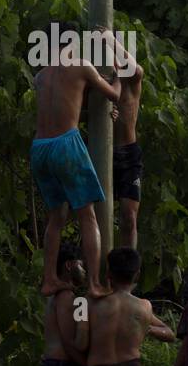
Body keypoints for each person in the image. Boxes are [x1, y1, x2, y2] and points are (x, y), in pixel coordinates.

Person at [31, 21, 121, 297]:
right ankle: (95, 283)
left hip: (39, 148)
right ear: (70, 42)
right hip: (66, 145)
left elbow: (62, 105)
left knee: (56, 217)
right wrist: (116, 75)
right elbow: (115, 94)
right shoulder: (82, 66)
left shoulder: (41, 76)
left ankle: (49, 279)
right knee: (87, 215)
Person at [102, 28, 144, 251]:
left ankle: (128, 272)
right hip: (102, 151)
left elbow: (135, 70)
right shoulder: (98, 78)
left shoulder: (132, 78)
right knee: (98, 215)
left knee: (128, 218)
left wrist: (110, 38)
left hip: (128, 152)